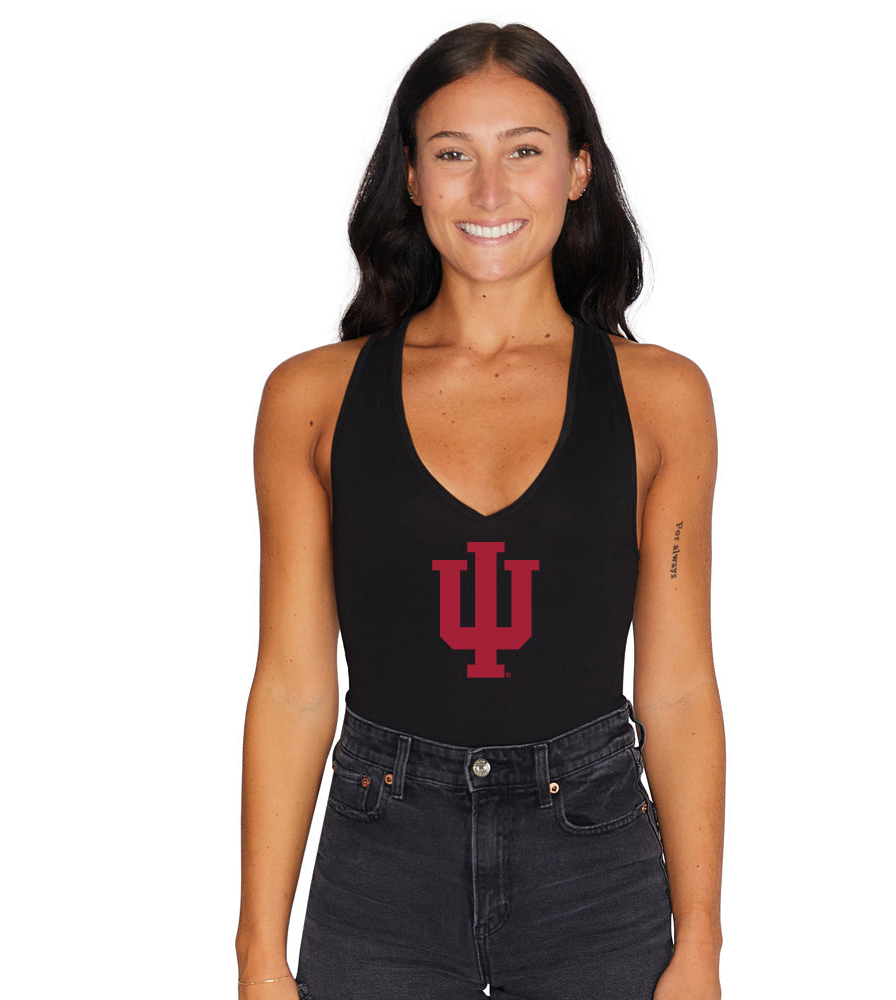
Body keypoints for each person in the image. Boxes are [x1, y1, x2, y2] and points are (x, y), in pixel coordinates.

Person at [235, 22, 724, 1000]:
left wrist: (701, 942)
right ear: (410, 176)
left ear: (578, 171)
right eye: (454, 154)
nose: (490, 192)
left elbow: (675, 688)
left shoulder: (662, 398)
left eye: (525, 152)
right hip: (380, 863)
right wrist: (257, 952)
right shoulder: (311, 399)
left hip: (594, 861)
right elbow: (292, 687)